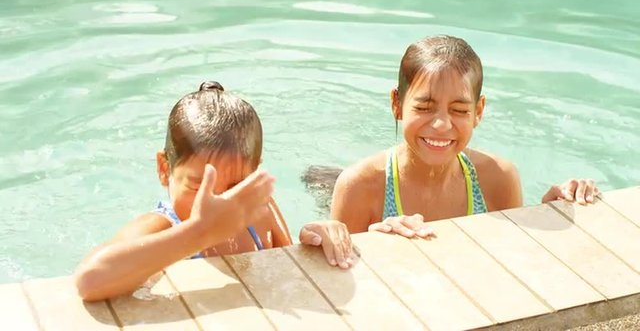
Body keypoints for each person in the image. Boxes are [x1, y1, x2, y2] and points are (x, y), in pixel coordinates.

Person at [75, 81, 353, 302]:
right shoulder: (161, 226)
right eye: (199, 186)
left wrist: (313, 238)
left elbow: (289, 266)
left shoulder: (257, 208)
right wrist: (199, 233)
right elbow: (89, 280)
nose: (219, 202)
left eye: (235, 187)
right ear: (164, 169)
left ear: (255, 176)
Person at [328, 35, 599, 237]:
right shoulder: (358, 188)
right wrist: (376, 250)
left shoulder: (498, 179)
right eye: (424, 107)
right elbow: (338, 286)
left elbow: (511, 261)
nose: (441, 124)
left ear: (478, 111)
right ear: (396, 104)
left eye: (459, 110)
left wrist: (551, 211)